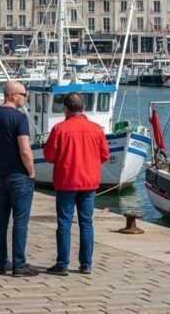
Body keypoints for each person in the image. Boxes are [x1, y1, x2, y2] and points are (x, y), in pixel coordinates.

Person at [42, 92, 110, 276]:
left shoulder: (60, 129)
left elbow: (48, 156)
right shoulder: (96, 129)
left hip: (66, 181)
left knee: (64, 223)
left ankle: (62, 264)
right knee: (86, 223)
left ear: (65, 109)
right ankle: (86, 264)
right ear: (83, 108)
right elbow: (105, 155)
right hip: (89, 181)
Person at [0, 80, 36, 277]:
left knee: (0, 219)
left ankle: (2, 263)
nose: (24, 98)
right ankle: (19, 264)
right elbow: (25, 149)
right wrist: (31, 171)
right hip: (19, 175)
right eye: (23, 94)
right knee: (20, 221)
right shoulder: (19, 118)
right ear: (13, 95)